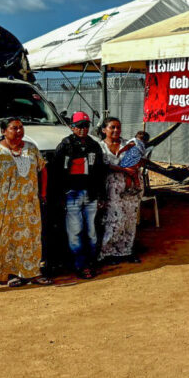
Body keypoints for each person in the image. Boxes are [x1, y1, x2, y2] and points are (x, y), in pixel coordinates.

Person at [0, 117, 51, 287]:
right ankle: (10, 273)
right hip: (3, 205)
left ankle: (32, 272)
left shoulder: (31, 149)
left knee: (30, 238)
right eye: (14, 128)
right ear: (3, 131)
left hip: (28, 204)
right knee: (4, 239)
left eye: (21, 128)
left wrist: (43, 193)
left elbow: (42, 169)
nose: (19, 131)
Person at [53, 111, 106, 279]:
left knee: (91, 231)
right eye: (79, 126)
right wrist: (60, 195)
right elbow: (56, 173)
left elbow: (99, 171)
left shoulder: (94, 145)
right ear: (72, 127)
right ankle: (79, 264)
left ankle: (91, 261)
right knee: (75, 231)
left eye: (86, 126)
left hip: (90, 194)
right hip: (72, 194)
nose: (83, 129)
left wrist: (101, 194)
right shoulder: (65, 145)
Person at [98, 117, 143, 264]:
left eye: (118, 127)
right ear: (104, 130)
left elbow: (137, 161)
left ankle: (126, 251)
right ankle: (107, 252)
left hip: (131, 186)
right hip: (112, 187)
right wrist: (123, 169)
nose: (116, 130)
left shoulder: (129, 145)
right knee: (114, 219)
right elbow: (102, 166)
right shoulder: (99, 147)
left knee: (130, 219)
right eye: (112, 127)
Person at [117, 131, 151, 195]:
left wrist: (120, 151)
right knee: (134, 175)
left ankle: (128, 189)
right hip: (136, 162)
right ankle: (137, 186)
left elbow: (127, 147)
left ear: (136, 136)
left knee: (128, 174)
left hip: (129, 161)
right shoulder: (142, 146)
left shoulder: (135, 142)